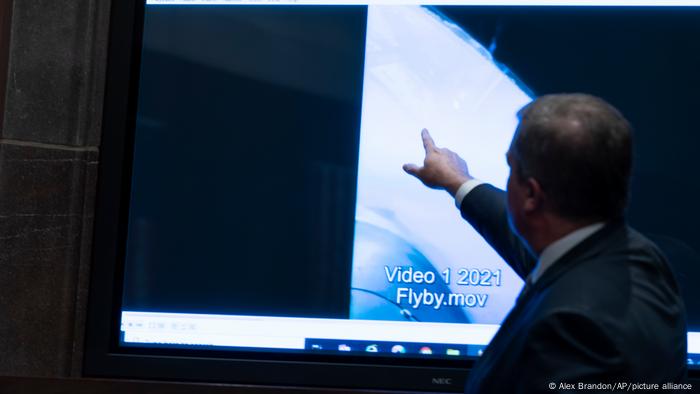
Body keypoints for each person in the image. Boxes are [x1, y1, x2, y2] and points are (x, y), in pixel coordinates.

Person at [403, 94, 687, 393]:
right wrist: (458, 181)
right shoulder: (643, 259)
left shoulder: (565, 330)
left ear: (532, 195)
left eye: (510, 169)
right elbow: (543, 259)